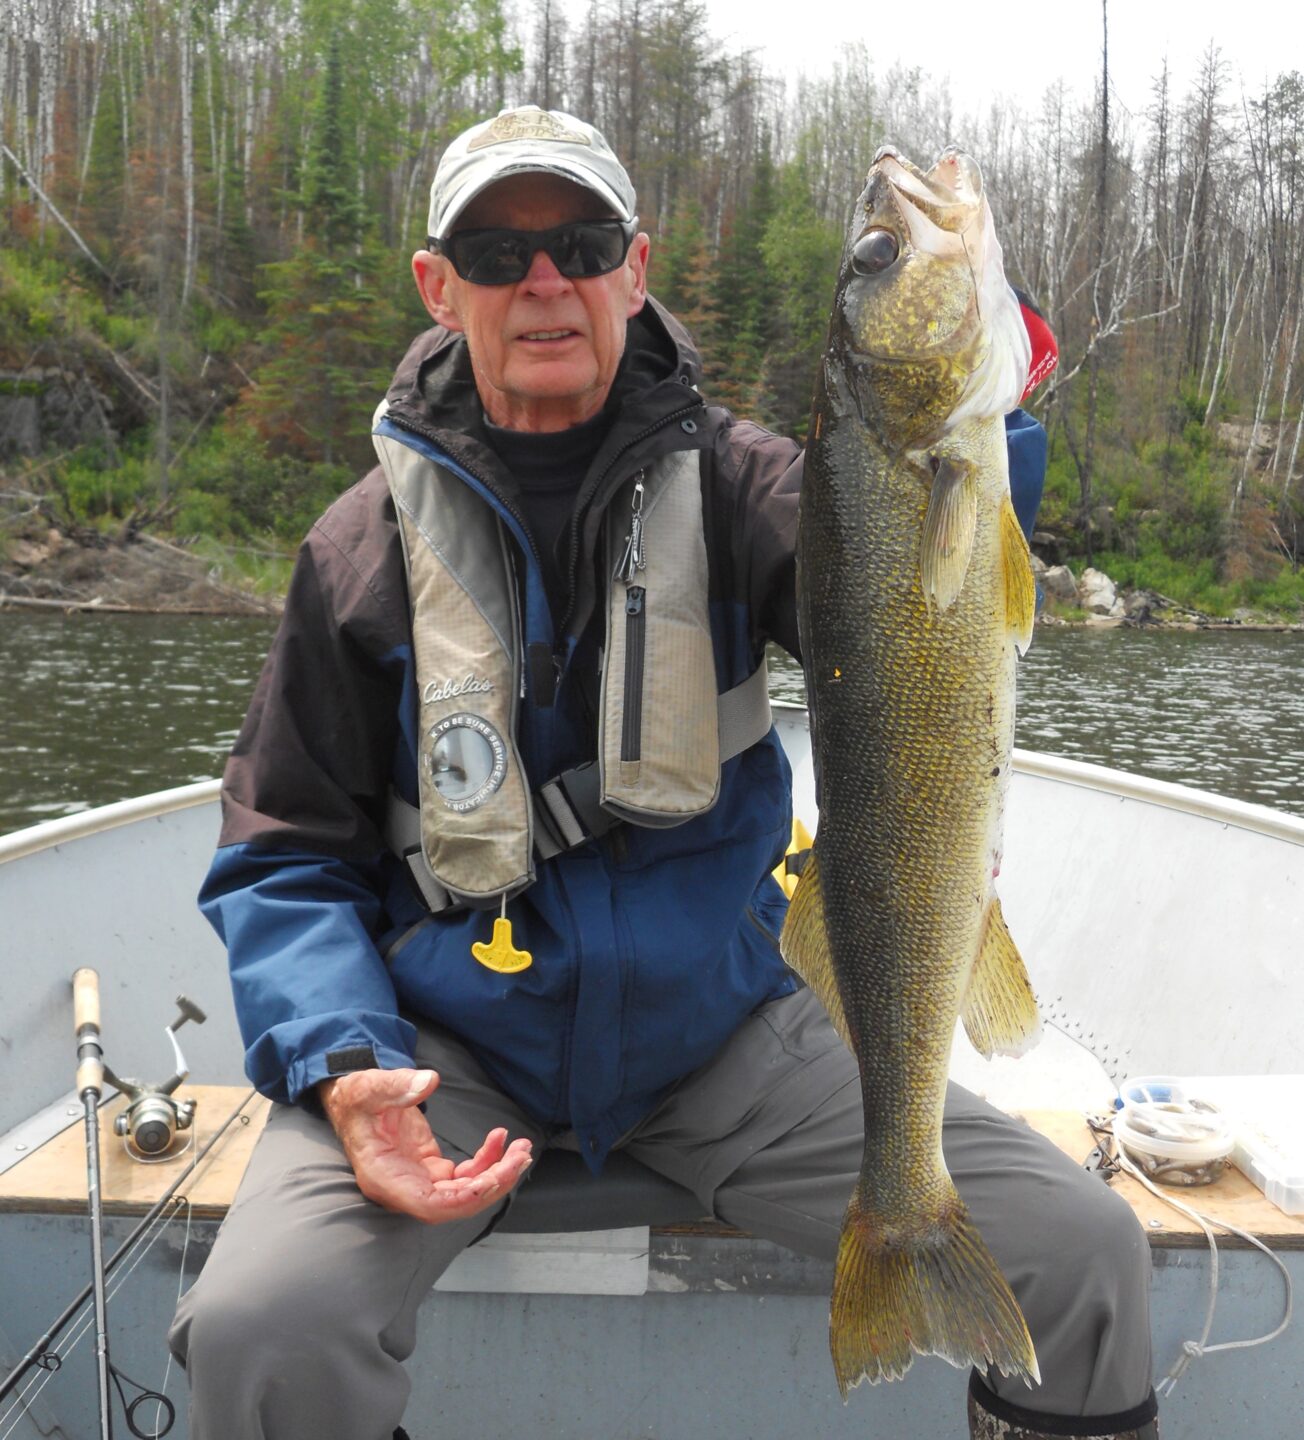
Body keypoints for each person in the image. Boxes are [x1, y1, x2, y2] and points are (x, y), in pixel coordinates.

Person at [169, 106, 1158, 1440]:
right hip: (448, 1052)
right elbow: (282, 853)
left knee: (1086, 1257)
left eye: (577, 243)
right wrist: (345, 1061)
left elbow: (928, 582)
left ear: (633, 269)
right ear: (437, 282)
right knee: (260, 1332)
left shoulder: (757, 488)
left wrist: (993, 365)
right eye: (496, 249)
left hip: (727, 1035)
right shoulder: (355, 555)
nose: (543, 282)